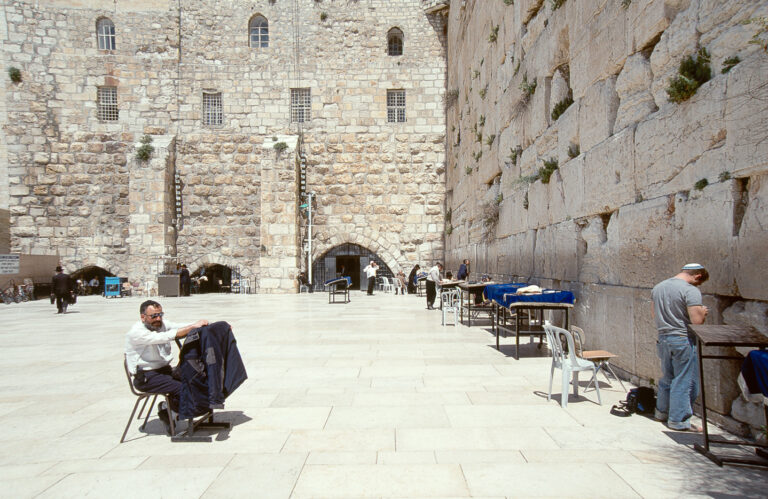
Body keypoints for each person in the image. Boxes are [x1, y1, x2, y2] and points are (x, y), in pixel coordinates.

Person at [125, 300, 209, 434]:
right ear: (143, 317)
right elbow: (164, 337)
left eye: (160, 314)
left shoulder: (161, 324)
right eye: (153, 316)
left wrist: (201, 325)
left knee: (196, 379)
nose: (158, 319)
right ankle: (170, 411)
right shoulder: (136, 332)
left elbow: (178, 327)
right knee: (182, 389)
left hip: (164, 371)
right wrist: (191, 327)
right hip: (147, 377)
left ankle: (171, 409)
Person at [651, 263, 709, 431]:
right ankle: (679, 420)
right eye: (699, 282)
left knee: (667, 376)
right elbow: (696, 321)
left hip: (663, 338)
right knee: (685, 380)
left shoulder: (658, 287)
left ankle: (661, 412)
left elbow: (654, 314)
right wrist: (703, 312)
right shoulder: (690, 290)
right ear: (698, 276)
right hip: (682, 338)